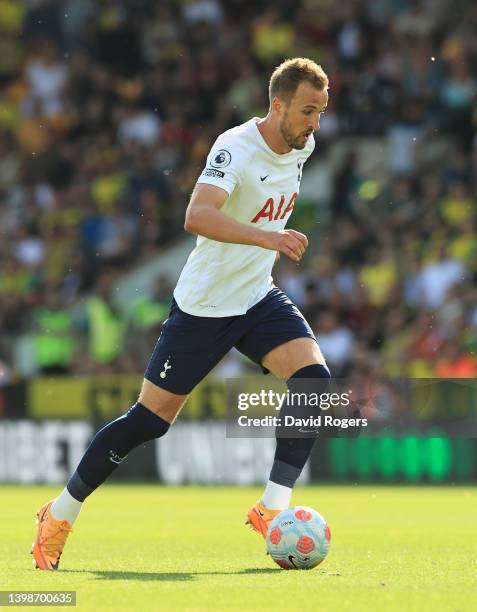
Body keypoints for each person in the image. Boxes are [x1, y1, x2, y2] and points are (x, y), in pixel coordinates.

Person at [31, 57, 330, 570]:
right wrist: (267, 237)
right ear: (276, 104)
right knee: (150, 421)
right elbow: (198, 215)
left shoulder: (304, 146)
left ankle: (272, 509)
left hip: (257, 296)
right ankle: (58, 515)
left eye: (321, 112)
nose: (315, 124)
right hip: (205, 306)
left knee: (315, 385)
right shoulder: (234, 147)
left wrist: (265, 248)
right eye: (307, 110)